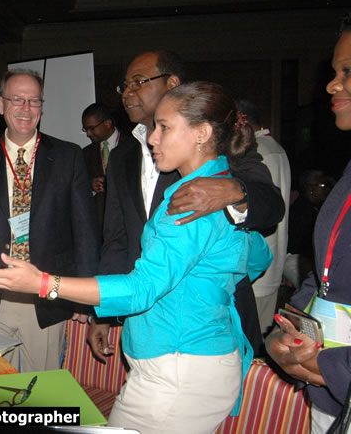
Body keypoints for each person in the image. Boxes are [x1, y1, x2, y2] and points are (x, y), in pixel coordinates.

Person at [0, 81, 272, 433]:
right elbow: (256, 258)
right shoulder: (221, 189)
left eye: (164, 128)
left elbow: (141, 289)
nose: (152, 138)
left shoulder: (188, 204)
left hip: (177, 371)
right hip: (197, 363)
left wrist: (42, 282)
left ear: (202, 133)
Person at [88, 51, 284, 360]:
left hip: (208, 328)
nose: (127, 93)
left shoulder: (215, 141)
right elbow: (117, 238)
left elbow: (272, 204)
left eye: (138, 82)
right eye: (123, 86)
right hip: (147, 322)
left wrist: (233, 189)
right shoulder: (122, 156)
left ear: (173, 83)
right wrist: (103, 315)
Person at [0, 69, 99, 372]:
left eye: (33, 101)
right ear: (1, 105)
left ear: (42, 108)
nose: (26, 108)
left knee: (40, 391)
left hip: (44, 297)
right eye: (17, 99)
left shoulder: (68, 157)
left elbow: (85, 230)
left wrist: (83, 296)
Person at [267, 15, 351, 434]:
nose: (332, 85)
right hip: (329, 393)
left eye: (347, 72)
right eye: (335, 72)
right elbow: (325, 277)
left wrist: (332, 366)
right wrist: (290, 328)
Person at [234, 99, 291, 335]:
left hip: (257, 264)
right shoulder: (275, 147)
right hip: (272, 259)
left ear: (241, 119)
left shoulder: (257, 154)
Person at [81, 103, 124, 245]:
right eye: (85, 129)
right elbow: (77, 188)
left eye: (92, 128)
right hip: (99, 228)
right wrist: (90, 186)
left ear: (107, 123)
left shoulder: (133, 145)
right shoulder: (85, 154)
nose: (88, 134)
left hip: (127, 223)